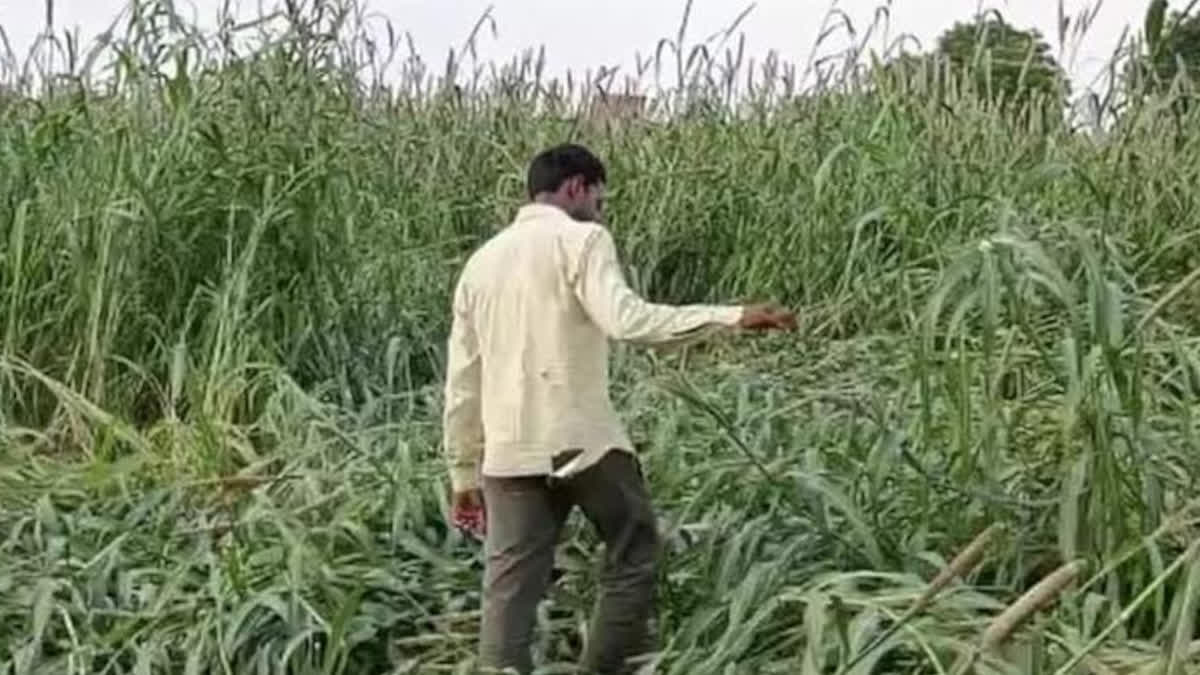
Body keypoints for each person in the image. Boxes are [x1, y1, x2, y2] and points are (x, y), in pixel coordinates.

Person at [441, 143, 796, 674]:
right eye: (600, 200)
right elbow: (628, 321)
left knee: (507, 594)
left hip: (508, 455)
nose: (601, 212)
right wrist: (731, 317)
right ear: (576, 188)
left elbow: (462, 380)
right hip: (580, 443)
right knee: (634, 549)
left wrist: (463, 472)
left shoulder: (481, 263)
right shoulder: (581, 240)